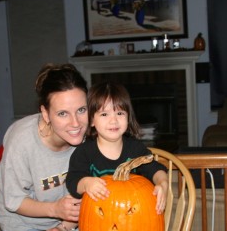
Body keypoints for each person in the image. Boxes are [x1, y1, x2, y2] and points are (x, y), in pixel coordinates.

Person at [0, 63, 88, 231]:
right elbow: (14, 201)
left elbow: (81, 201)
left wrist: (63, 228)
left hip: (67, 225)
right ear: (45, 113)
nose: (76, 123)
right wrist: (55, 209)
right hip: (21, 227)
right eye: (63, 113)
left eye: (81, 110)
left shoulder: (90, 139)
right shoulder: (21, 140)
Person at [66, 81, 168, 213]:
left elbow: (155, 168)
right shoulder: (84, 152)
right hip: (98, 217)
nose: (113, 120)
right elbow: (73, 182)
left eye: (120, 113)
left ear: (128, 117)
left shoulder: (135, 148)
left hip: (133, 215)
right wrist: (86, 183)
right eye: (104, 114)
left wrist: (163, 184)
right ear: (91, 120)